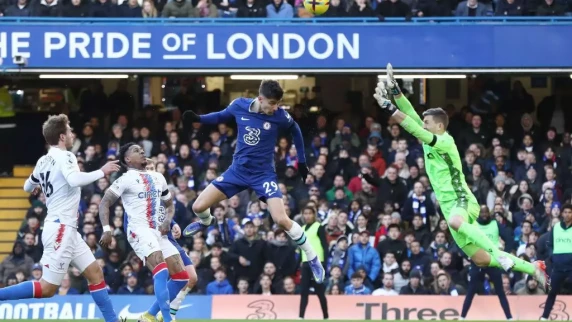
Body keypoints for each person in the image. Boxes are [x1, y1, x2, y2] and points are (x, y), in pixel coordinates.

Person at [373, 63, 548, 289]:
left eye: (426, 123)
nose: (422, 124)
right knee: (480, 259)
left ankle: (500, 254)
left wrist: (388, 107)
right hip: (448, 207)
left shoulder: (444, 141)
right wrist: (396, 90)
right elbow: (411, 114)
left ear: (438, 126)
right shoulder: (430, 135)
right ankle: (532, 268)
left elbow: (412, 127)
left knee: (459, 225)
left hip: (461, 200)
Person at [181, 80, 325, 283]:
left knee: (281, 220)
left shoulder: (279, 116)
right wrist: (198, 119)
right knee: (198, 206)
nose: (276, 108)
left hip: (263, 175)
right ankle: (207, 221)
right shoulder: (239, 105)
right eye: (273, 103)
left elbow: (296, 130)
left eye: (278, 104)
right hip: (237, 172)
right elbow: (221, 116)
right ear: (260, 99)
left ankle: (312, 258)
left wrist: (302, 161)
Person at [0, 114, 122, 322]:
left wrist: (45, 186)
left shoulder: (43, 160)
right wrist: (102, 171)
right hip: (61, 229)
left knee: (95, 273)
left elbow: (27, 187)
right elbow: (74, 179)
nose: (73, 134)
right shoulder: (66, 156)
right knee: (47, 288)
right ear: (62, 136)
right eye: (70, 130)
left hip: (66, 229)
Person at [98, 143, 190, 322]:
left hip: (158, 231)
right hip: (139, 231)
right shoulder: (125, 179)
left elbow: (170, 205)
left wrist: (167, 220)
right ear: (127, 159)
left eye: (142, 149)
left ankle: (148, 315)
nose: (141, 151)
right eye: (136, 150)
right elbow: (104, 203)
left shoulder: (158, 177)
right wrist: (106, 229)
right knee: (161, 271)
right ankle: (167, 319)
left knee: (181, 277)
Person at [139, 159, 198, 322]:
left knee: (191, 277)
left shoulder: (161, 190)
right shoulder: (140, 191)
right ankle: (162, 315)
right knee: (172, 276)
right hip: (155, 240)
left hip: (169, 239)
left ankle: (158, 314)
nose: (151, 171)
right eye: (148, 168)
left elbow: (163, 213)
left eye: (153, 168)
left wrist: (174, 223)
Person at [460, 205, 513, 320]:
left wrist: (505, 254)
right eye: (482, 213)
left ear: (489, 213)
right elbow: (462, 241)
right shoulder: (474, 224)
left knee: (500, 291)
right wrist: (468, 256)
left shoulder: (495, 224)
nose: (484, 215)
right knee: (471, 290)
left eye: (486, 213)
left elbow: (509, 238)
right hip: (478, 261)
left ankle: (509, 318)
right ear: (478, 214)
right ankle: (462, 317)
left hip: (493, 261)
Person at [540, 204, 572, 320]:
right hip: (558, 267)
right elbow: (549, 245)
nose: (567, 214)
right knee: (552, 293)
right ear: (562, 214)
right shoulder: (556, 227)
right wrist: (552, 256)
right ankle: (544, 317)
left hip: (571, 266)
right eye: (565, 212)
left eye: (570, 212)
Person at [298, 207, 329, 320]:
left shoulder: (318, 227)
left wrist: (324, 262)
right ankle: (301, 316)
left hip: (317, 261)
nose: (307, 216)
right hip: (306, 262)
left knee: (319, 290)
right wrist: (299, 263)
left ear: (314, 215)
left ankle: (326, 316)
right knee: (303, 290)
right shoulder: (301, 228)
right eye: (305, 213)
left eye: (310, 213)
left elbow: (325, 245)